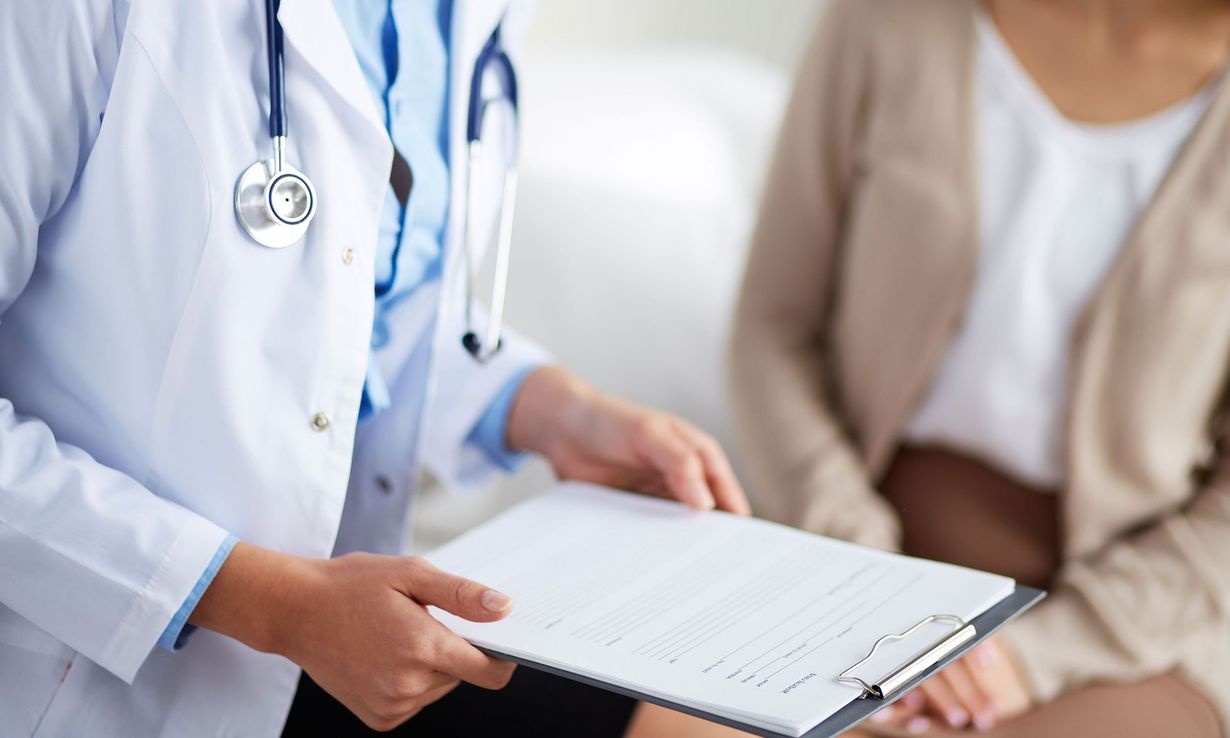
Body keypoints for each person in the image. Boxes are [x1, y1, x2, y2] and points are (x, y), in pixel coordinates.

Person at [0, 1, 749, 736]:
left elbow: (355, 309)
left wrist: (549, 407)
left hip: (342, 638)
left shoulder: (458, 17)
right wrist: (271, 603)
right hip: (87, 666)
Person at [702, 0, 1230, 736]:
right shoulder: (886, 22)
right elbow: (772, 329)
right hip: (844, 549)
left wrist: (1029, 656)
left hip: (1130, 627)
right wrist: (858, 576)